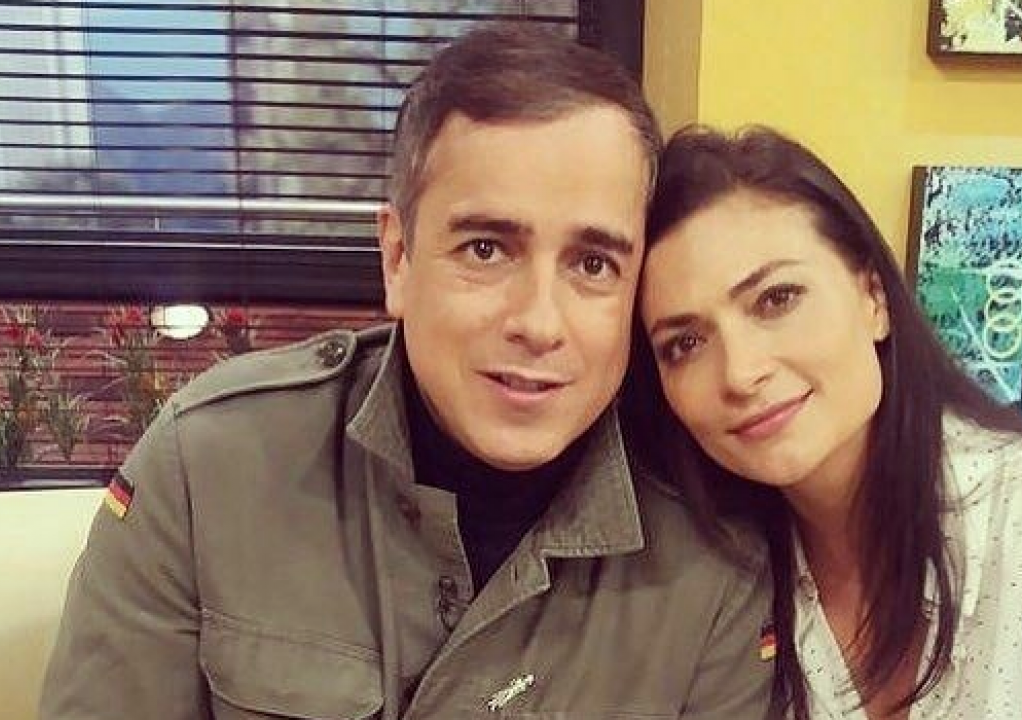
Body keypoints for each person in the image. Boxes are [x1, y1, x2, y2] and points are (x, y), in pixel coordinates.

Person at [40, 28, 776, 720]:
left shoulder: (711, 564)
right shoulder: (211, 470)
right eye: (486, 249)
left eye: (592, 264)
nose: (539, 323)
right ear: (398, 259)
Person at [626, 126, 1022, 720]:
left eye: (776, 299)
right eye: (685, 344)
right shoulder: (693, 569)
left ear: (874, 297)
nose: (740, 372)